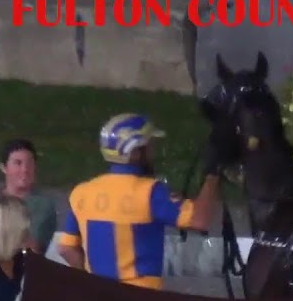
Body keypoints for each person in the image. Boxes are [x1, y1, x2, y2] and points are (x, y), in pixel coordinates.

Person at [55, 113, 222, 289]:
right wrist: (213, 175)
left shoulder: (81, 192)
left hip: (99, 300)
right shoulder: (151, 192)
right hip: (143, 300)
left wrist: (91, 281)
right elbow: (200, 219)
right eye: (149, 146)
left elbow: (66, 249)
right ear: (134, 152)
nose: (153, 151)